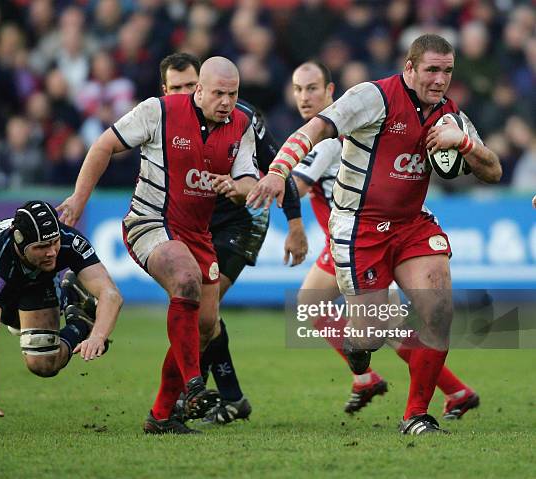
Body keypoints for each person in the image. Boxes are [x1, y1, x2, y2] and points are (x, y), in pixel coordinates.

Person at [248, 34, 501, 434]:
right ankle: (360, 356)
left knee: (438, 309)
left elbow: (493, 172)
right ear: (410, 68)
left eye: (447, 71)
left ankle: (416, 414)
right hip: (360, 225)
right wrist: (278, 170)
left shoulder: (450, 115)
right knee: (368, 335)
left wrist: (464, 142)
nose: (440, 79)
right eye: (432, 70)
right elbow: (314, 130)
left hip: (412, 223)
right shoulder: (373, 97)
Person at [58, 57, 260, 434]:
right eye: (218, 93)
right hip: (150, 221)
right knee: (185, 280)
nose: (226, 102)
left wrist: (236, 188)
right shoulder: (158, 111)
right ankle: (195, 384)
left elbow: (249, 180)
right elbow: (103, 146)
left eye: (233, 94)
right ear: (199, 89)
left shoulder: (242, 126)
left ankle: (162, 415)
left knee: (205, 325)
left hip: (199, 235)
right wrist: (78, 199)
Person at [291, 60, 480, 419]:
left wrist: (259, 186)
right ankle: (450, 390)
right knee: (382, 323)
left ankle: (374, 377)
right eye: (299, 89)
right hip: (356, 236)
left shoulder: (329, 141)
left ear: (332, 93)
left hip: (360, 235)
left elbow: (294, 187)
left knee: (332, 310)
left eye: (313, 88)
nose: (305, 97)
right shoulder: (346, 130)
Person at [159, 52, 308, 424]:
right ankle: (231, 397)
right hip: (194, 225)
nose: (184, 93)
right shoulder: (162, 117)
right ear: (165, 90)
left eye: (189, 85)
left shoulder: (242, 118)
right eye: (175, 88)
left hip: (241, 221)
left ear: (202, 83)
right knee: (204, 317)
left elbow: (279, 166)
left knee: (201, 314)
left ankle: (187, 396)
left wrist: (294, 223)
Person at [0, 200, 123, 421]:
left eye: (54, 242)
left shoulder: (68, 240)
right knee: (16, 324)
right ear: (20, 243)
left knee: (44, 364)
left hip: (38, 279)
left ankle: (80, 321)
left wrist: (98, 336)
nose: (51, 252)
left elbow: (110, 295)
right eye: (41, 247)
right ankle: (73, 306)